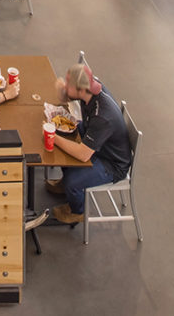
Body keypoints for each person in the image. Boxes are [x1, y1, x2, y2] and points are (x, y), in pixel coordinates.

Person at [38, 61, 134, 229]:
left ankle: (77, 211)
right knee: (67, 143)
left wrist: (53, 136)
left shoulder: (103, 117)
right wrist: (64, 90)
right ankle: (65, 183)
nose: (66, 87)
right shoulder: (90, 89)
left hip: (111, 163)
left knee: (73, 182)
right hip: (98, 140)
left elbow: (83, 155)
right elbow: (68, 97)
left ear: (81, 90)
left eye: (69, 85)